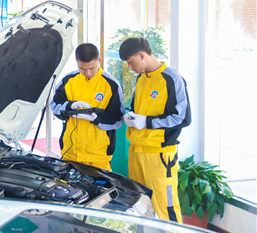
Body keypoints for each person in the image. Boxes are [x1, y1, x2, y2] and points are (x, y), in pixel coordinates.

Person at [119, 37, 191, 222]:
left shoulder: (172, 79)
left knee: (164, 206)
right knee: (140, 205)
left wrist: (147, 122)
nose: (129, 67)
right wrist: (132, 117)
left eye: (131, 62)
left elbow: (182, 118)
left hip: (159, 155)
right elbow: (140, 110)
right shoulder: (141, 78)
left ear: (142, 55)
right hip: (137, 151)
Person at [50, 43, 126, 171]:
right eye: (82, 68)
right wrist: (70, 106)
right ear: (77, 62)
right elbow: (54, 106)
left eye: (92, 68)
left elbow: (118, 119)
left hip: (98, 155)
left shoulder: (111, 84)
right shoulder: (68, 80)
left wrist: (97, 118)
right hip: (70, 151)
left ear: (99, 61)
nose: (88, 73)